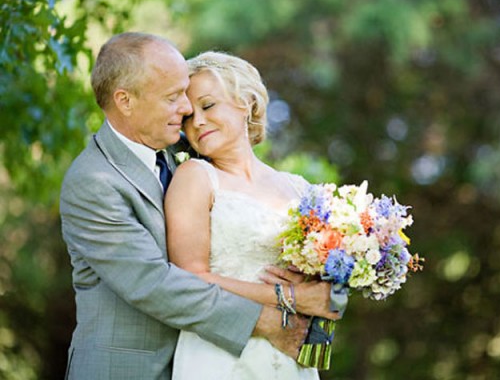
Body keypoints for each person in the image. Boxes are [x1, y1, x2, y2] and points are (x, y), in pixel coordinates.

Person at [59, 32, 318, 379]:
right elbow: (153, 283)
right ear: (125, 101)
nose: (187, 111)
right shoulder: (94, 181)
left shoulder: (180, 147)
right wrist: (273, 314)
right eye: (173, 98)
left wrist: (318, 285)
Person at [164, 50, 340, 379]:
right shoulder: (195, 177)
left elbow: (330, 295)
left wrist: (323, 292)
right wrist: (290, 296)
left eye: (208, 105)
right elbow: (188, 281)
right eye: (187, 117)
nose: (197, 122)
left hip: (292, 359)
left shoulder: (299, 189)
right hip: (220, 355)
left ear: (245, 102)